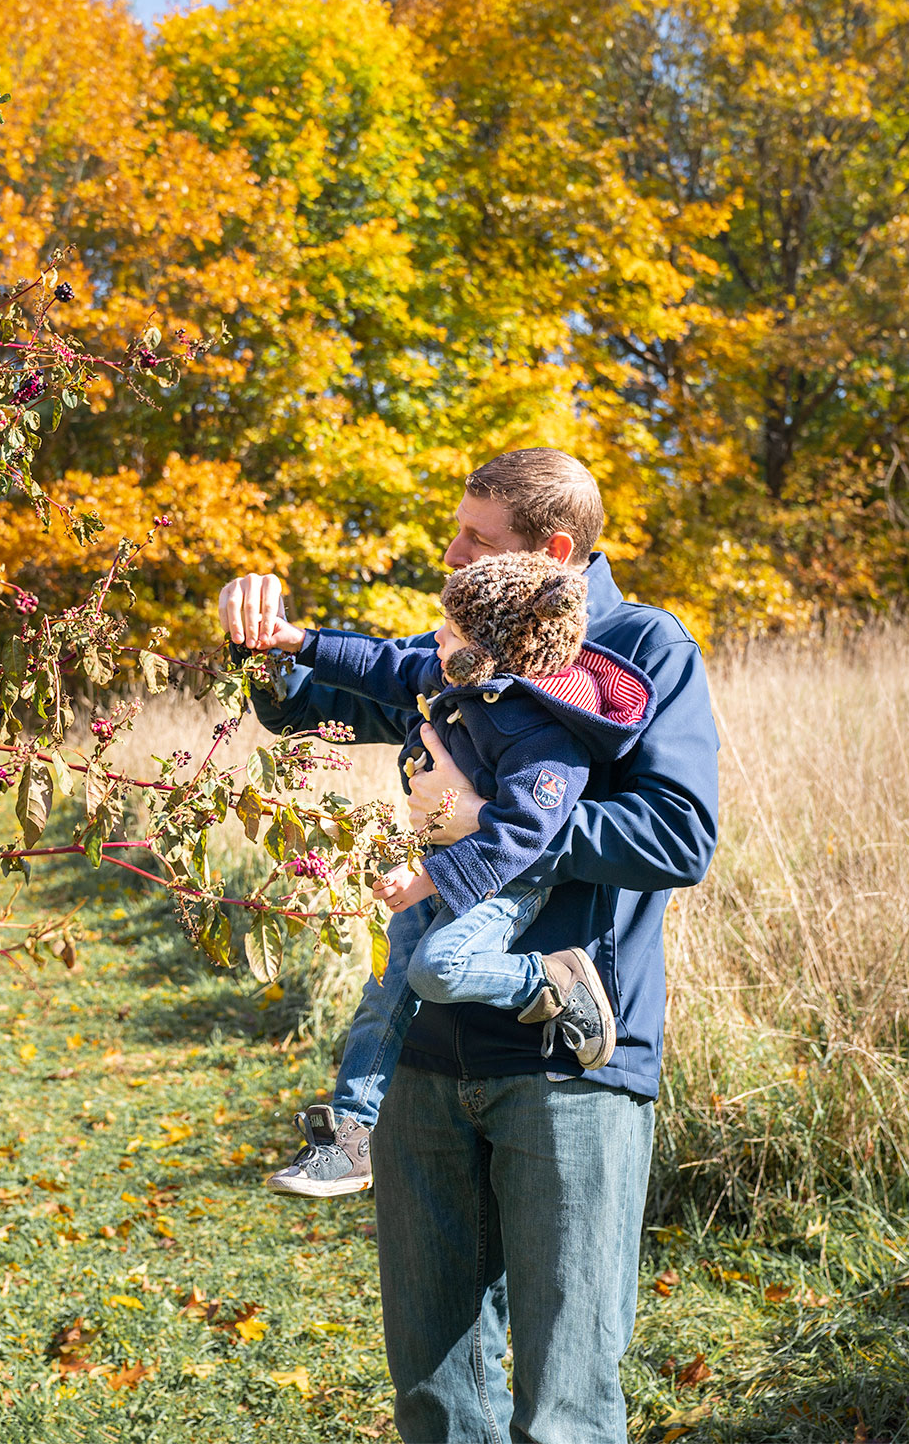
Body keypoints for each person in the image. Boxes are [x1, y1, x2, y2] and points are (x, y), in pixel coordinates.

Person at [219, 446, 719, 1444]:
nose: (449, 554)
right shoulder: (470, 640)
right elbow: (327, 696)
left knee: (565, 1412)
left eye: (476, 540)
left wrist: (479, 821)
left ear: (555, 549)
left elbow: (678, 835)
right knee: (438, 1406)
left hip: (570, 1068)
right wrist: (266, 645)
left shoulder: (639, 649)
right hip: (428, 1064)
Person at [251, 548, 655, 1199]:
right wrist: (298, 641)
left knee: (435, 970)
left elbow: (518, 837)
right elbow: (385, 666)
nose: (436, 636)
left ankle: (551, 978)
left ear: (487, 649)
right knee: (389, 978)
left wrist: (422, 884)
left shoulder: (543, 731)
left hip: (509, 879)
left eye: (452, 629)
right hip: (449, 865)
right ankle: (352, 1135)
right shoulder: (461, 675)